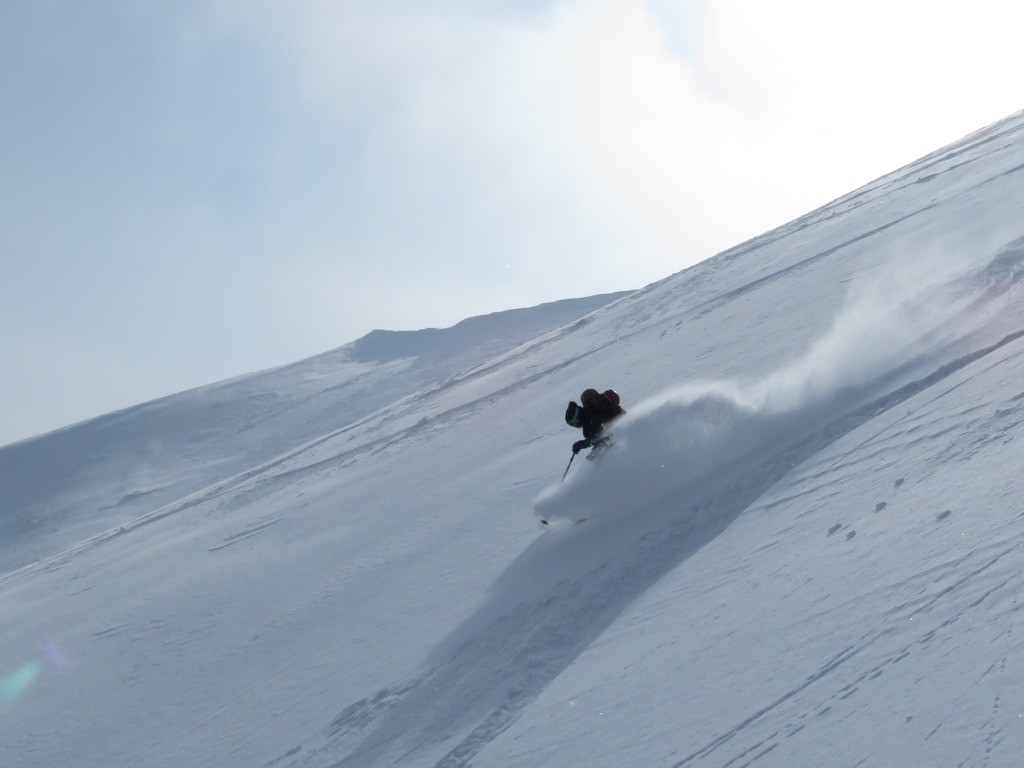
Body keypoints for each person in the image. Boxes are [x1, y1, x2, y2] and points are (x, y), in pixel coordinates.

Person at [564, 388, 625, 456]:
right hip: (616, 435)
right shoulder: (588, 420)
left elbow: (599, 436)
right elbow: (597, 438)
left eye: (573, 423)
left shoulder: (592, 415)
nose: (576, 426)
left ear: (577, 417)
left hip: (619, 435)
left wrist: (582, 444)